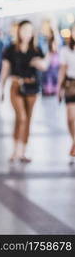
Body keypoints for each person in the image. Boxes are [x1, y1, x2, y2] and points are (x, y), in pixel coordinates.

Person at [0, 20, 49, 163]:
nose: (26, 33)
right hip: (16, 85)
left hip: (32, 87)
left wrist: (38, 63)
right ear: (18, 31)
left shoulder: (37, 49)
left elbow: (45, 65)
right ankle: (15, 150)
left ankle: (23, 151)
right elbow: (4, 71)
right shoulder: (10, 49)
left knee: (28, 119)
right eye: (24, 30)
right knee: (21, 117)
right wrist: (0, 89)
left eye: (29, 30)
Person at [57, 24, 75, 164]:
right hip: (70, 85)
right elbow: (62, 70)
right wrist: (59, 88)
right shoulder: (65, 50)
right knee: (70, 118)